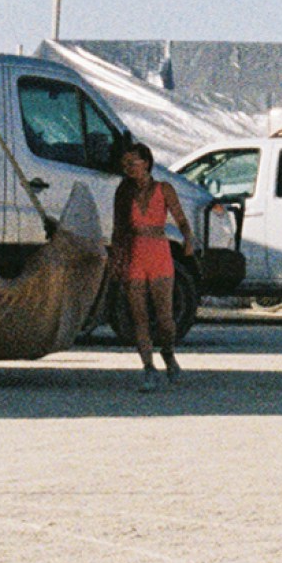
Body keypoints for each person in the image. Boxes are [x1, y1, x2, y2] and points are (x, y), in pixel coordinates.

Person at [109, 140, 193, 392]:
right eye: (125, 164)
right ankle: (148, 367)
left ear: (146, 163)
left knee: (165, 317)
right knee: (139, 316)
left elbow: (180, 218)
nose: (128, 168)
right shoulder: (123, 192)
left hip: (158, 253)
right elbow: (118, 228)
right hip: (134, 253)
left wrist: (188, 239)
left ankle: (168, 352)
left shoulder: (164, 189)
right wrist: (116, 258)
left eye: (132, 162)